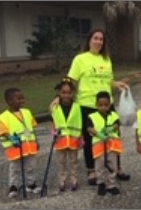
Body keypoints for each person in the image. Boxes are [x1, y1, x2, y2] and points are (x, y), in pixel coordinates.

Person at [50, 28, 130, 185]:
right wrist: (59, 97)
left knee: (114, 136)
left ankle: (116, 167)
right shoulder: (80, 59)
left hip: (107, 105)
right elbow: (70, 79)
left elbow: (108, 80)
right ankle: (91, 170)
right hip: (87, 105)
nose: (99, 41)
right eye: (96, 38)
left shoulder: (106, 59)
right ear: (89, 40)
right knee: (90, 138)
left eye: (101, 39)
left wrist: (116, 84)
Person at [0, 88, 41, 198]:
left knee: (31, 166)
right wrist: (13, 139)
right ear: (10, 101)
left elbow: (31, 128)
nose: (22, 100)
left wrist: (36, 140)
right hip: (15, 148)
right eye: (19, 98)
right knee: (15, 169)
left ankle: (31, 184)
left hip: (29, 146)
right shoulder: (3, 117)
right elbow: (3, 132)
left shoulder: (27, 112)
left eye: (23, 98)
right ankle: (13, 186)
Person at [86, 91, 123, 196]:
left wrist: (110, 129)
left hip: (112, 145)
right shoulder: (92, 116)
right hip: (99, 145)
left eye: (106, 105)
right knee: (99, 166)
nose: (103, 107)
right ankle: (101, 183)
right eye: (100, 105)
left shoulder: (114, 115)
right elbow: (89, 128)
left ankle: (111, 185)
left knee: (112, 165)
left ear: (110, 104)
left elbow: (117, 125)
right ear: (96, 105)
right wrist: (99, 134)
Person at [50, 77, 82, 192]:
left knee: (74, 161)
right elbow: (52, 119)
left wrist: (80, 137)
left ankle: (74, 180)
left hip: (73, 139)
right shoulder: (55, 106)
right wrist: (53, 133)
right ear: (59, 93)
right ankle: (62, 180)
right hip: (61, 139)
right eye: (63, 93)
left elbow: (79, 122)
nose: (66, 95)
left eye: (69, 93)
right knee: (61, 162)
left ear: (72, 93)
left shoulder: (77, 107)